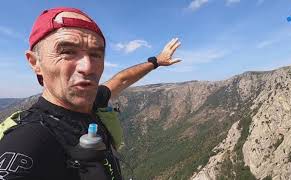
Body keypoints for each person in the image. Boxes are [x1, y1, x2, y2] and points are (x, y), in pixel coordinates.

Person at [0, 7, 181, 180]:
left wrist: (156, 61)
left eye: (96, 54)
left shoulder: (93, 100)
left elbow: (121, 80)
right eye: (67, 51)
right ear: (35, 62)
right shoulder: (28, 140)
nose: (87, 67)